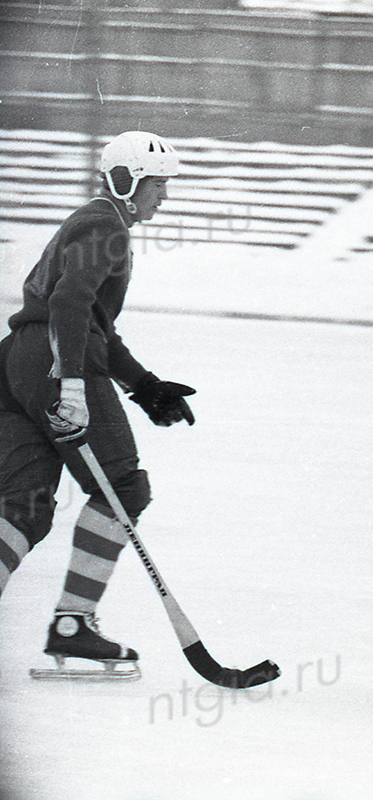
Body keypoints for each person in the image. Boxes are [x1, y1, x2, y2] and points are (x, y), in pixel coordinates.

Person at [0, 131, 197, 678]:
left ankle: (72, 624)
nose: (164, 196)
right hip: (51, 361)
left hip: (17, 362)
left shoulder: (96, 222)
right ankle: (74, 623)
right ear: (126, 180)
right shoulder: (105, 223)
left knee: (25, 506)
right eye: (157, 185)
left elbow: (90, 326)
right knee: (124, 486)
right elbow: (68, 304)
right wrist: (71, 387)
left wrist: (145, 386)